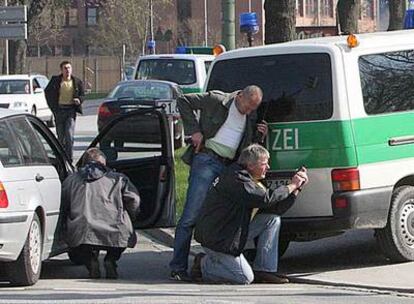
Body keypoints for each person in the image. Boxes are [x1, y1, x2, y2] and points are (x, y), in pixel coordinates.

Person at [170, 85, 268, 281]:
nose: (248, 112)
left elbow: (248, 150)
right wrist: (194, 131)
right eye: (247, 107)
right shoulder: (217, 100)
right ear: (239, 96)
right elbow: (183, 100)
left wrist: (260, 136)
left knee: (221, 214)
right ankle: (178, 267)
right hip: (207, 160)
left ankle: (208, 260)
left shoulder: (249, 116)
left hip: (229, 167)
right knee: (191, 215)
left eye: (252, 109)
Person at [192, 144, 309, 284]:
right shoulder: (237, 180)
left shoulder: (250, 178)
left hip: (232, 231)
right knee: (244, 278)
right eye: (264, 164)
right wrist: (292, 185)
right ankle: (203, 263)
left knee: (272, 219)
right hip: (219, 239)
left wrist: (297, 189)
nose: (268, 167)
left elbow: (274, 208)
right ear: (250, 165)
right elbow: (267, 198)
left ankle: (264, 270)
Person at [61, 148, 140, 279]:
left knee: (78, 242)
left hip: (82, 229)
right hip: (114, 229)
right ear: (103, 163)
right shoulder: (118, 179)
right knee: (123, 234)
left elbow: (63, 202)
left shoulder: (71, 180)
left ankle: (90, 260)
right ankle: (111, 259)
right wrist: (132, 216)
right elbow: (134, 200)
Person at [45, 60, 85, 162]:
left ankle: (69, 158)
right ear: (61, 70)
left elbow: (82, 95)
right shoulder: (56, 81)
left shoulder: (77, 82)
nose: (67, 70)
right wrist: (54, 108)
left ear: (71, 69)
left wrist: (79, 100)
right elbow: (47, 92)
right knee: (61, 136)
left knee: (69, 135)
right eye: (65, 68)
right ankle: (60, 158)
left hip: (70, 111)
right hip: (59, 111)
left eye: (69, 68)